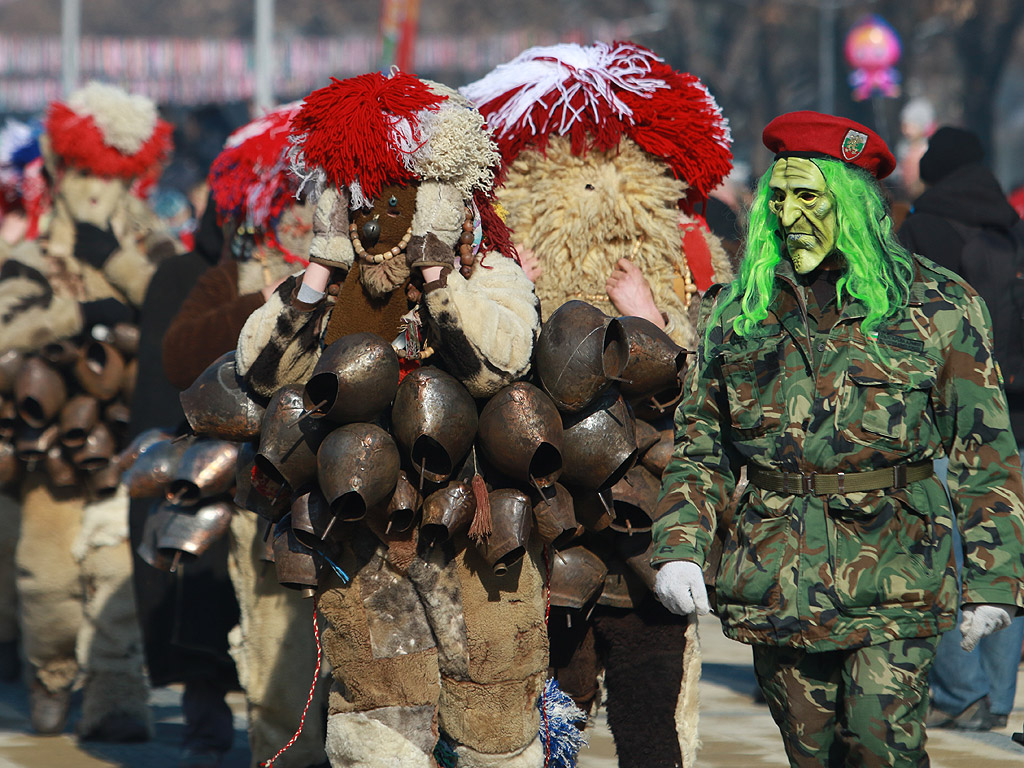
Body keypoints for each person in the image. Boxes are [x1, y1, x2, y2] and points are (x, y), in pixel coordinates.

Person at [650, 110, 1024, 767]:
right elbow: (702, 444)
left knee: (883, 748)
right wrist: (680, 544)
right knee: (811, 754)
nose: (790, 213)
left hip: (897, 574)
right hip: (776, 579)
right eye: (779, 196)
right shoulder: (740, 316)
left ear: (851, 206)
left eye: (809, 196)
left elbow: (985, 452)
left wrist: (996, 580)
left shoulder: (937, 308)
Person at [232, 72, 546, 768]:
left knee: (494, 720)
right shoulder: (327, 287)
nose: (379, 215)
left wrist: (437, 274)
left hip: (474, 535)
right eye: (361, 196)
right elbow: (261, 372)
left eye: (400, 193)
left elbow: (499, 364)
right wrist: (320, 266)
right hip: (365, 542)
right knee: (379, 726)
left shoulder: (487, 270)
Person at [463, 40, 735, 768]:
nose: (598, 190)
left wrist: (654, 319)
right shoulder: (503, 263)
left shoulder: (689, 259)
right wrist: (512, 292)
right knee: (553, 710)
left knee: (652, 716)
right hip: (549, 529)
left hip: (651, 535)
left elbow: (717, 387)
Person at [1, 81, 174, 739]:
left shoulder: (152, 246)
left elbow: (177, 304)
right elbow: (6, 326)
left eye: (111, 172)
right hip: (53, 450)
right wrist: (75, 314)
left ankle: (116, 701)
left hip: (135, 440)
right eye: (82, 171)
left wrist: (119, 266)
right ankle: (47, 674)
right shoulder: (34, 254)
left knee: (116, 579)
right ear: (59, 169)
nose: (96, 187)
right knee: (44, 585)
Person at [161, 103, 329, 768]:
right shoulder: (229, 274)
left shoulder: (364, 267)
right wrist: (258, 302)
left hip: (355, 490)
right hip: (264, 497)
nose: (296, 207)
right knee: (277, 668)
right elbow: (179, 357)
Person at [898, 125, 1024, 731]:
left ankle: (960, 691)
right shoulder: (1013, 228)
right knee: (1005, 548)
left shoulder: (923, 230)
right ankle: (999, 698)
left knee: (941, 553)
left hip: (948, 416)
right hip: (1017, 416)